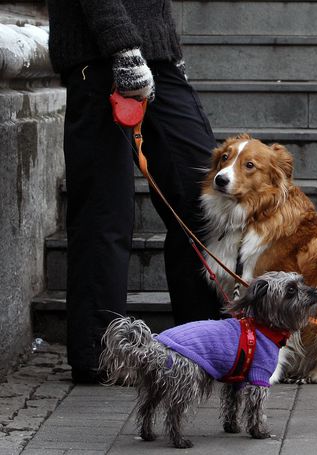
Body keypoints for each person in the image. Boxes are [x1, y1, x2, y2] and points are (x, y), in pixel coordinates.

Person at [46, 0, 222, 383]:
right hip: (96, 57)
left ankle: (204, 341)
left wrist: (169, 53)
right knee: (103, 214)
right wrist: (123, 49)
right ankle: (99, 353)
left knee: (203, 196)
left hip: (157, 57)